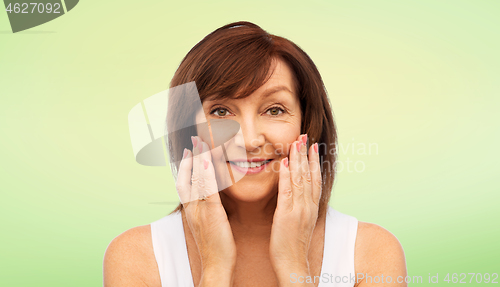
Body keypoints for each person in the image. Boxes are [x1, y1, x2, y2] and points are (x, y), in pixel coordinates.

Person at [103, 21, 407, 287]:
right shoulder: (136, 257)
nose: (248, 140)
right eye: (221, 111)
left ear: (307, 123)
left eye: (274, 110)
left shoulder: (370, 254)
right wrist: (215, 269)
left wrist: (294, 266)